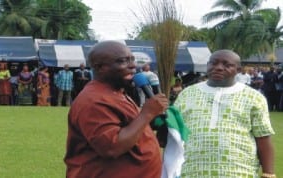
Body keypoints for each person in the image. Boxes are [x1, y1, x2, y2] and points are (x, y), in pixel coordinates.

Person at [64, 40, 168, 178]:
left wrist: (152, 123)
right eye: (122, 61)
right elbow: (112, 147)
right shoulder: (93, 101)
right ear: (100, 67)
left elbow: (127, 126)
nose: (132, 66)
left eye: (132, 60)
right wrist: (146, 114)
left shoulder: (116, 92)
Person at [174, 49, 275, 177]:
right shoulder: (187, 94)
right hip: (191, 171)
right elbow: (174, 134)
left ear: (238, 70)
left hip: (239, 172)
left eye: (227, 65)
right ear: (207, 65)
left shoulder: (254, 98)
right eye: (213, 63)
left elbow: (263, 138)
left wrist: (268, 173)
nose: (218, 68)